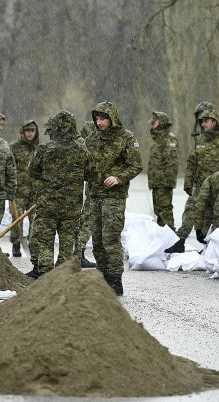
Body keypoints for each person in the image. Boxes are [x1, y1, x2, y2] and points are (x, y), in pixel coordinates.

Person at [166, 102, 219, 253]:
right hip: (201, 186)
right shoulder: (200, 140)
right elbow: (192, 162)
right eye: (201, 121)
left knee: (215, 218)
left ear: (214, 121)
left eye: (205, 121)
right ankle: (180, 241)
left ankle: (212, 247)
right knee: (190, 210)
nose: (202, 124)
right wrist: (188, 183)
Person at [84, 101, 143, 295]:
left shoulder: (126, 138)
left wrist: (119, 178)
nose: (99, 123)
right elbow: (84, 165)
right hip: (94, 194)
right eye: (97, 119)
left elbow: (136, 166)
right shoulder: (91, 139)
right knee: (98, 239)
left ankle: (116, 279)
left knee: (111, 238)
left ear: (112, 119)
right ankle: (102, 276)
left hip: (114, 197)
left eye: (103, 119)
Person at [25, 111, 90, 278]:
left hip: (48, 205)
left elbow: (32, 171)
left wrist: (50, 178)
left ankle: (45, 274)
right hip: (72, 207)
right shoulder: (82, 149)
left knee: (45, 241)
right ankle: (62, 277)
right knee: (67, 242)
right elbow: (91, 174)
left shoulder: (45, 149)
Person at [9, 120, 39, 258]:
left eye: (32, 131)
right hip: (19, 190)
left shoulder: (40, 148)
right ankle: (16, 244)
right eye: (27, 131)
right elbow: (8, 168)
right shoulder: (14, 148)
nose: (30, 133)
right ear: (23, 132)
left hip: (35, 190)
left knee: (36, 219)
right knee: (17, 218)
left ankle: (34, 245)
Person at [147, 111, 178, 229]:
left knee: (165, 212)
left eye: (154, 123)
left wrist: (165, 183)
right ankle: (163, 239)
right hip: (157, 184)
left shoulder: (169, 140)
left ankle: (171, 239)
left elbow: (171, 164)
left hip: (164, 184)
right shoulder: (158, 140)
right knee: (159, 211)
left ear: (161, 123)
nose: (152, 125)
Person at [74, 120, 97, 268]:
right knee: (87, 221)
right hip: (92, 188)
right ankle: (78, 254)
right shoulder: (86, 146)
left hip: (87, 188)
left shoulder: (79, 144)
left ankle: (78, 253)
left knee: (85, 221)